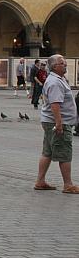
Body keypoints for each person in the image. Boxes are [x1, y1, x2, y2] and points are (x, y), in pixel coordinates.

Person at [34, 54, 79, 194]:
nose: (65, 65)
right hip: (59, 122)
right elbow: (55, 105)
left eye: (65, 62)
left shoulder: (57, 79)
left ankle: (40, 181)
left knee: (47, 151)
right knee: (64, 151)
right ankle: (68, 184)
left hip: (49, 121)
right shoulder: (55, 82)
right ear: (54, 66)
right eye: (62, 63)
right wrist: (59, 123)